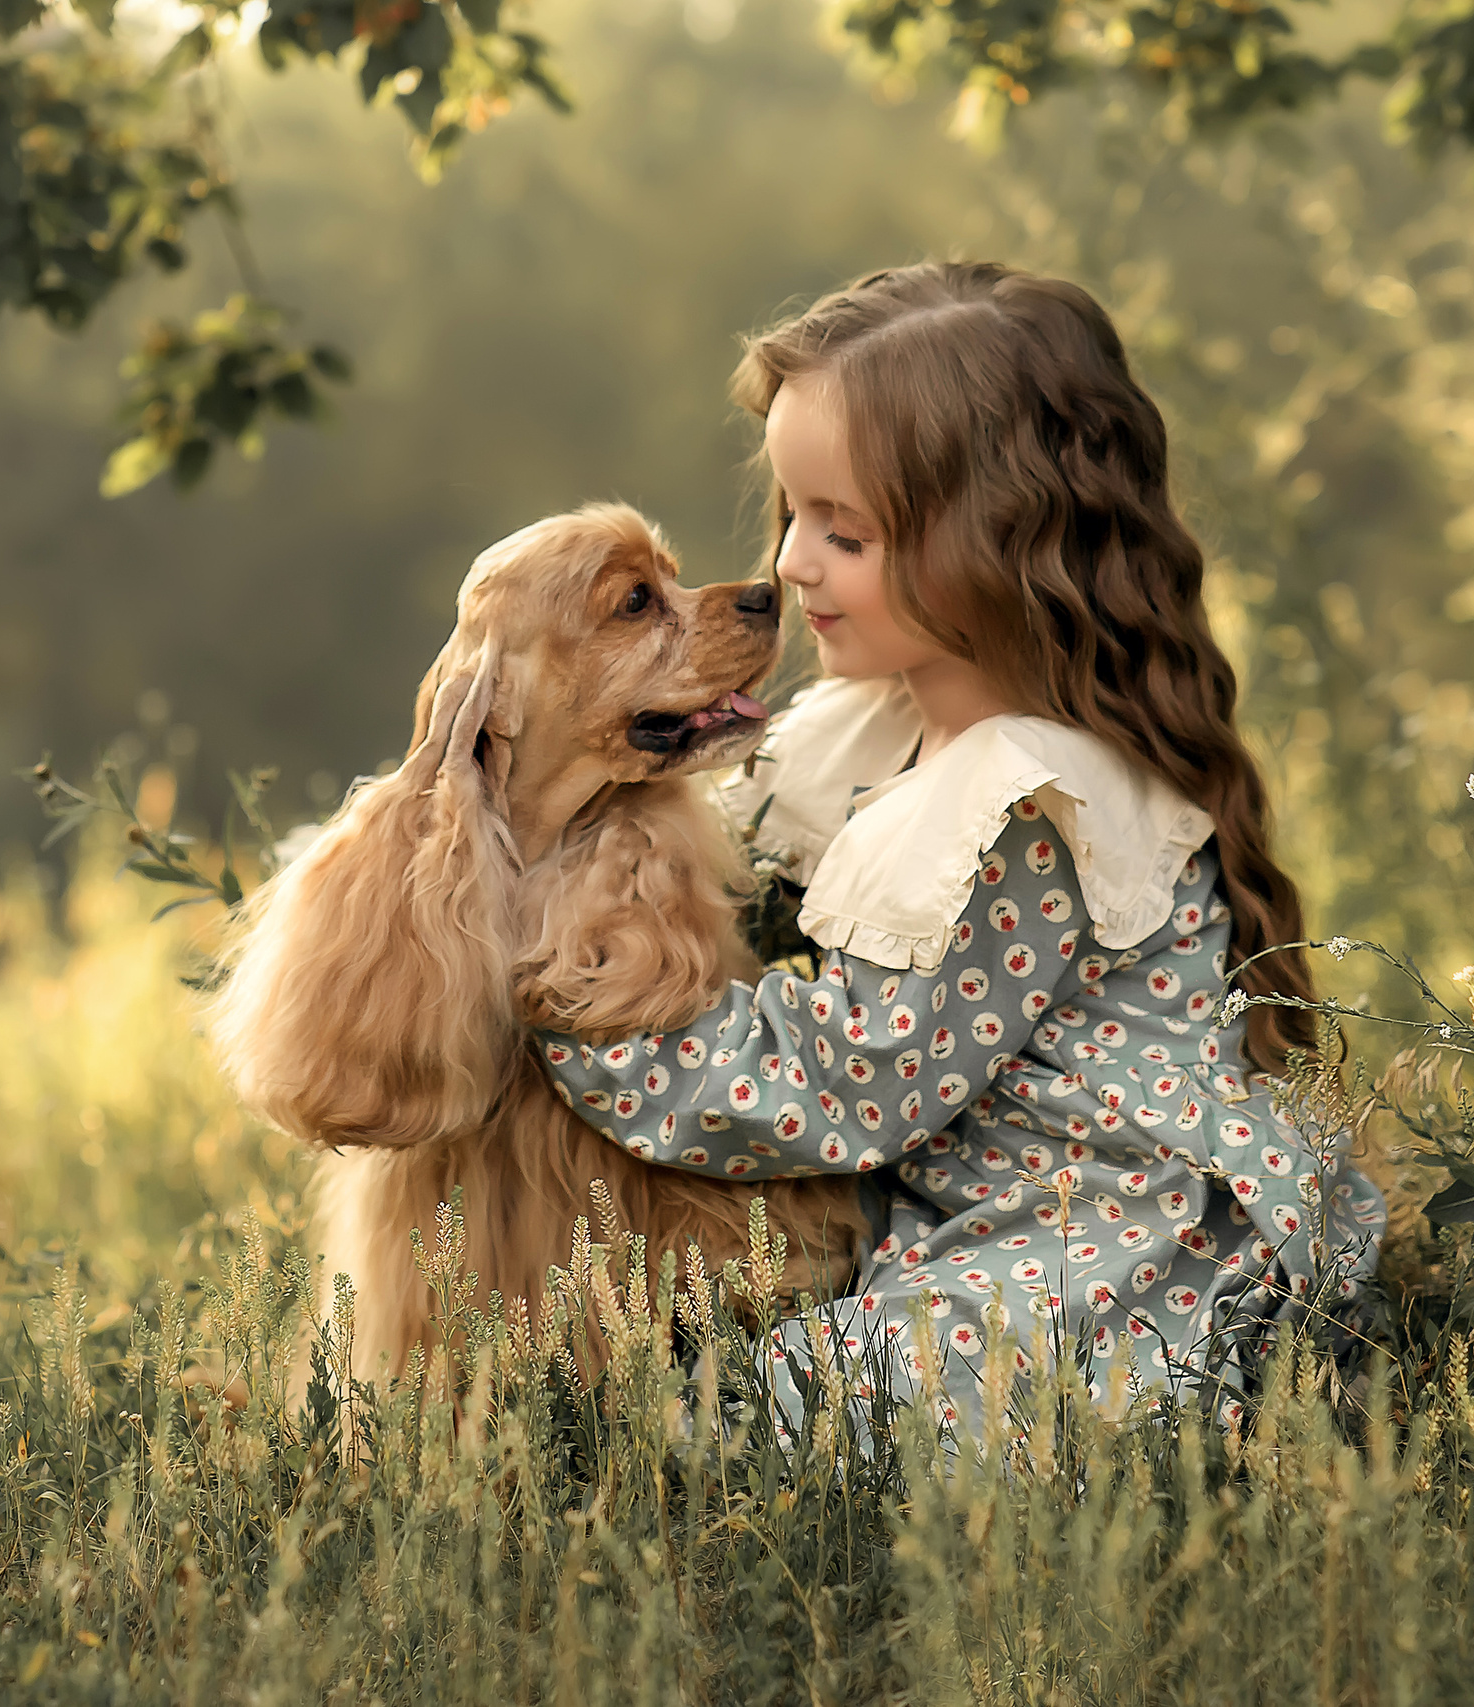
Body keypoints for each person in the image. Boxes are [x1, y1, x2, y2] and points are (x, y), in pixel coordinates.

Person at [532, 261, 1383, 1435]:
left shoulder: (1023, 806)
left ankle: (1164, 1432)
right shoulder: (877, 728)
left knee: (767, 1417)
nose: (789, 564)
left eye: (847, 533)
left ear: (994, 543)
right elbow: (726, 874)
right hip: (951, 1207)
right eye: (794, 516)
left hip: (1092, 1250)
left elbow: (840, 1084)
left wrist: (588, 1026)